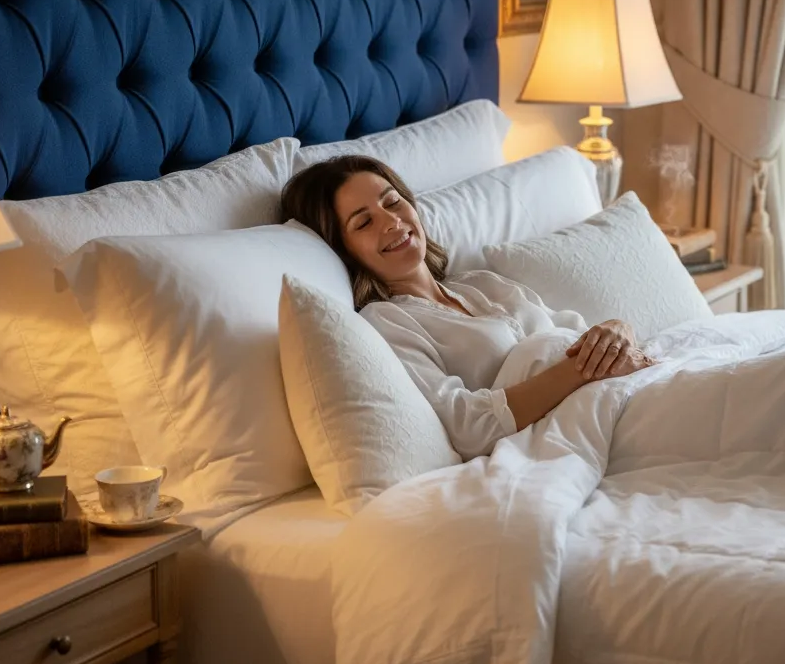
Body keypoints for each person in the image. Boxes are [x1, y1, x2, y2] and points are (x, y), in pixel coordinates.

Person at [281, 155, 656, 458]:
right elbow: (468, 428)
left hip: (627, 391)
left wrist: (618, 328)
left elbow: (576, 330)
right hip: (582, 428)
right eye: (364, 222)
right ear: (343, 251)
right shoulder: (388, 321)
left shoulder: (480, 284)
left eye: (393, 202)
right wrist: (581, 370)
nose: (392, 221)